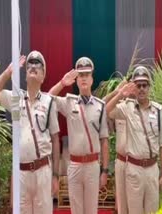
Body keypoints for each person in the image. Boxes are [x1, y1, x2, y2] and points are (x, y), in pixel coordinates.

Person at [0, 51, 60, 214]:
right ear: (25, 76)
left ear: (43, 77)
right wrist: (8, 73)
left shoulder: (49, 102)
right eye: (30, 65)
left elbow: (56, 139)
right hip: (22, 172)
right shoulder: (16, 99)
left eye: (38, 65)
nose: (33, 67)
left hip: (43, 170)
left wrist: (55, 175)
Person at [48, 57, 109, 214]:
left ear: (92, 79)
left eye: (86, 75)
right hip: (74, 165)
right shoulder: (69, 103)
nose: (83, 78)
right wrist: (62, 83)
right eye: (80, 75)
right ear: (76, 80)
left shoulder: (100, 106)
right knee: (76, 210)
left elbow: (104, 141)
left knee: (91, 210)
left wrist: (105, 170)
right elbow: (47, 99)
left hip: (93, 166)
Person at [106, 66, 162, 214]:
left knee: (152, 211)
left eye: (144, 85)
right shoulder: (127, 108)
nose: (141, 89)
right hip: (134, 169)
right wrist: (120, 94)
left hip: (152, 169)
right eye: (138, 85)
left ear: (149, 87)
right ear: (134, 87)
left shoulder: (158, 111)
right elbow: (106, 109)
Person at [102, 80, 129, 214]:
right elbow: (102, 107)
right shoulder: (118, 108)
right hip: (122, 161)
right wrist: (117, 91)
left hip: (137, 163)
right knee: (121, 203)